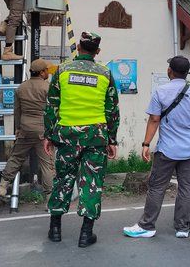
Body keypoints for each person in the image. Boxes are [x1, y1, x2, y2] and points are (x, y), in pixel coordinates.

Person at [43, 32, 119, 248]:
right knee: (92, 182)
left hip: (67, 135)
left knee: (63, 179)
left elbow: (52, 105)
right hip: (95, 136)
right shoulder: (105, 73)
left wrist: (48, 135)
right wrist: (112, 139)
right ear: (97, 51)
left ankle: (55, 229)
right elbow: (112, 109)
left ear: (78, 48)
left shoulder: (63, 70)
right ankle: (86, 234)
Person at [123, 56, 190, 239]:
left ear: (170, 71)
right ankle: (182, 228)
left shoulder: (160, 92)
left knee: (157, 187)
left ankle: (147, 225)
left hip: (167, 150)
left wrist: (146, 144)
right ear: (187, 73)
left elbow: (154, 119)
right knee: (187, 188)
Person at [0, 59, 55, 199]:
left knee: (16, 158)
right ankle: (49, 198)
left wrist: (18, 128)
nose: (48, 72)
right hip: (42, 130)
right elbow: (52, 111)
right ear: (42, 72)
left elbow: (17, 111)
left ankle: (2, 187)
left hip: (25, 128)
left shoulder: (21, 88)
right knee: (47, 164)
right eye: (47, 70)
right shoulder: (47, 88)